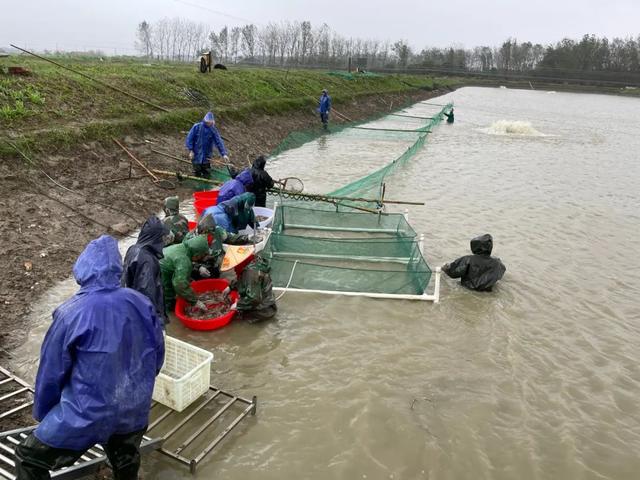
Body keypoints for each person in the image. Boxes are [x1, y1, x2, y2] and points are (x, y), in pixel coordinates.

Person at [15, 235, 164, 480]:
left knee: (28, 456)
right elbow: (157, 356)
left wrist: (44, 415)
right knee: (126, 459)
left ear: (83, 268)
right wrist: (138, 392)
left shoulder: (70, 312)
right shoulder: (141, 303)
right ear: (118, 268)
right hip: (132, 409)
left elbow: (51, 373)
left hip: (84, 415)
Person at [122, 216, 169, 326]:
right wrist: (157, 322)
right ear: (156, 238)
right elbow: (146, 294)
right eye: (162, 237)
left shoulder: (132, 249)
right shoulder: (147, 260)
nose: (164, 241)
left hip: (130, 307)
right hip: (145, 317)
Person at [160, 234, 210, 312]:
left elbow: (179, 264)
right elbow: (180, 284)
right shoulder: (184, 261)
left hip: (155, 264)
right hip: (159, 274)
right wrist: (195, 301)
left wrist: (198, 267)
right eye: (202, 256)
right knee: (167, 298)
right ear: (196, 255)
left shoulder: (181, 247)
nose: (202, 258)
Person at [185, 111, 229, 178]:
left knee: (206, 172)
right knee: (197, 172)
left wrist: (224, 154)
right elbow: (189, 139)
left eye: (210, 122)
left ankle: (206, 184)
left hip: (206, 156)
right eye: (208, 122)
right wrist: (191, 150)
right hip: (196, 154)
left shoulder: (213, 129)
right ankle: (198, 186)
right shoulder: (197, 127)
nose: (209, 123)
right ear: (205, 121)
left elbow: (218, 142)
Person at [184, 214, 227, 280]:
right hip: (198, 267)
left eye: (210, 233)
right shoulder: (189, 239)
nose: (207, 235)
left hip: (215, 264)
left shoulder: (218, 231)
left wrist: (247, 238)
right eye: (205, 233)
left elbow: (231, 238)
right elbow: (185, 259)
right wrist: (199, 267)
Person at [236, 255, 277, 322]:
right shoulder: (255, 262)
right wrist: (230, 287)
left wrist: (237, 305)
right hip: (269, 305)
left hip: (261, 312)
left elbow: (254, 299)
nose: (234, 269)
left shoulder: (250, 273)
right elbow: (245, 281)